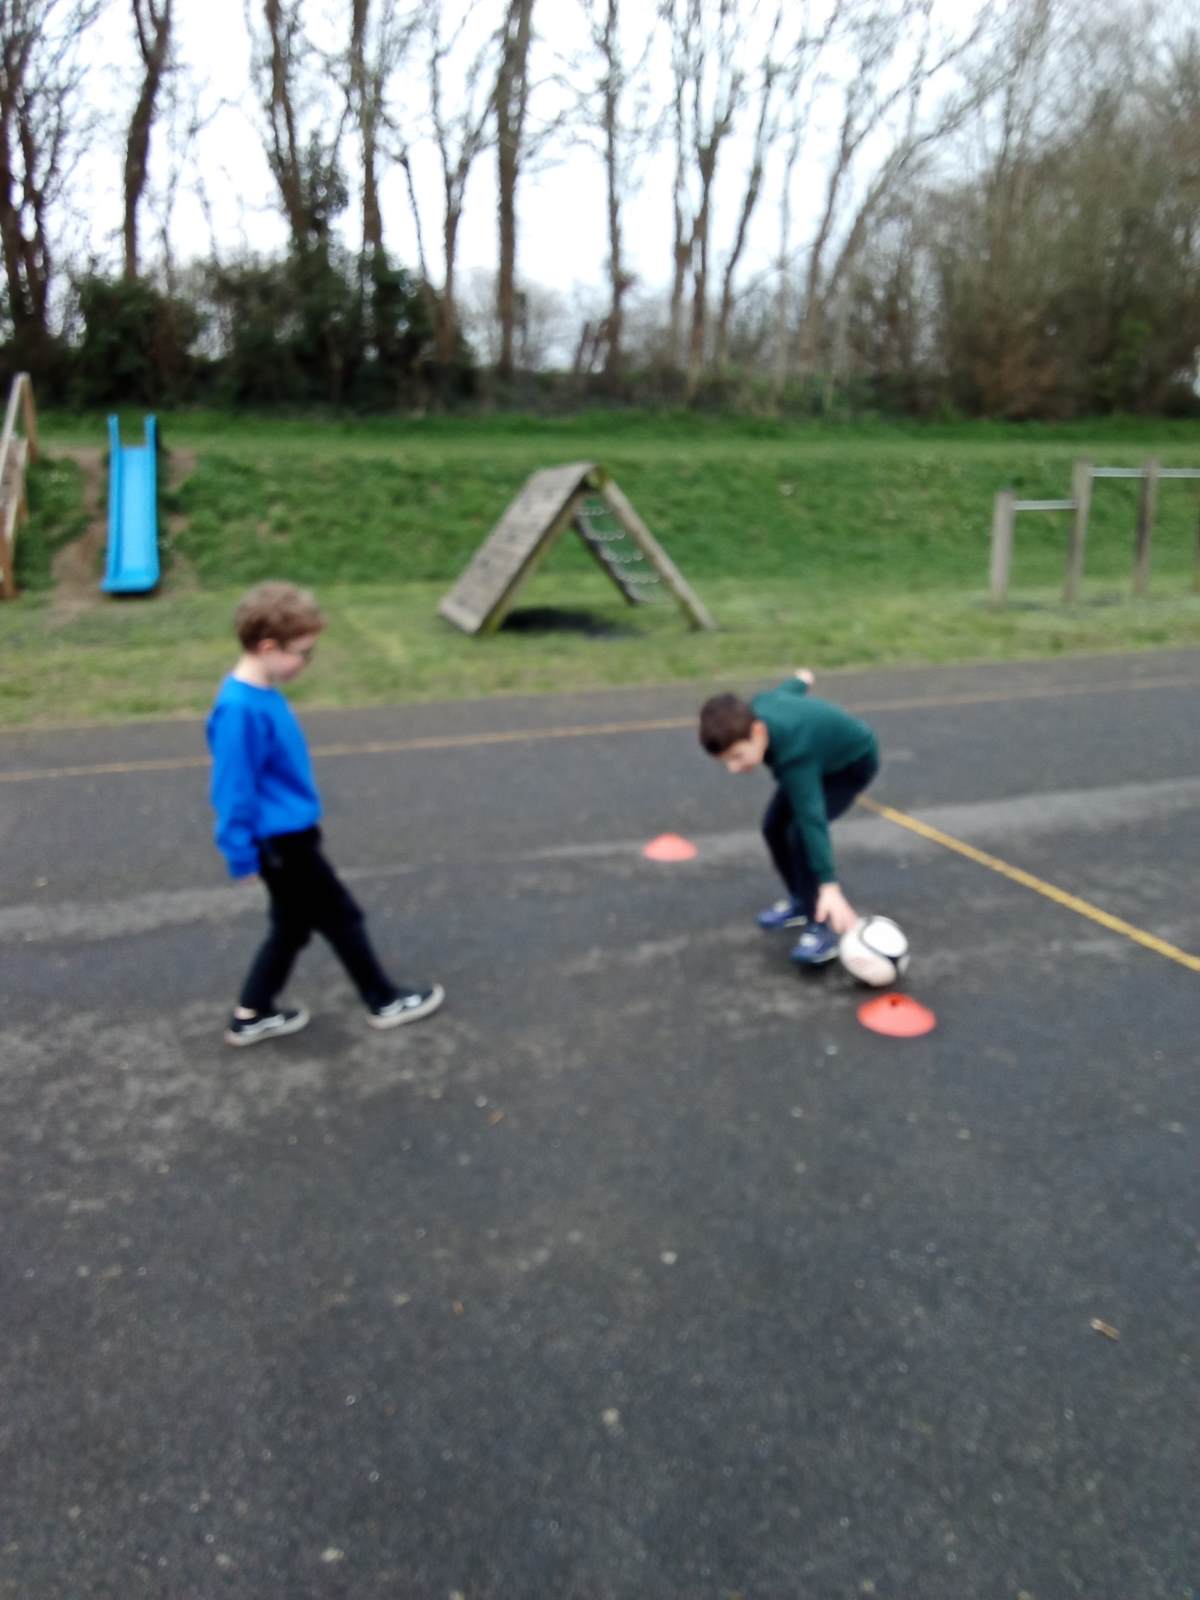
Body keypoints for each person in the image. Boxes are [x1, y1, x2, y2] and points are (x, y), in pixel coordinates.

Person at [206, 580, 444, 1046]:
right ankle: (382, 1000)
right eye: (303, 653)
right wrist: (239, 853)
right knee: (341, 918)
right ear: (268, 647)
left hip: (291, 835)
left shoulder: (260, 694)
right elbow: (232, 789)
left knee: (291, 927)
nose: (307, 662)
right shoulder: (240, 709)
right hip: (281, 843)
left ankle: (252, 1013)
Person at [698, 669, 879, 966]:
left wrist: (829, 886)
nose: (733, 768)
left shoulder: (793, 756)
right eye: (726, 761)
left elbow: (813, 820)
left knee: (799, 833)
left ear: (758, 732)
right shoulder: (756, 709)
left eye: (738, 756)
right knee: (773, 827)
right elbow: (785, 693)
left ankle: (821, 927)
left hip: (850, 766)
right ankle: (801, 901)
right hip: (817, 756)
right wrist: (801, 680)